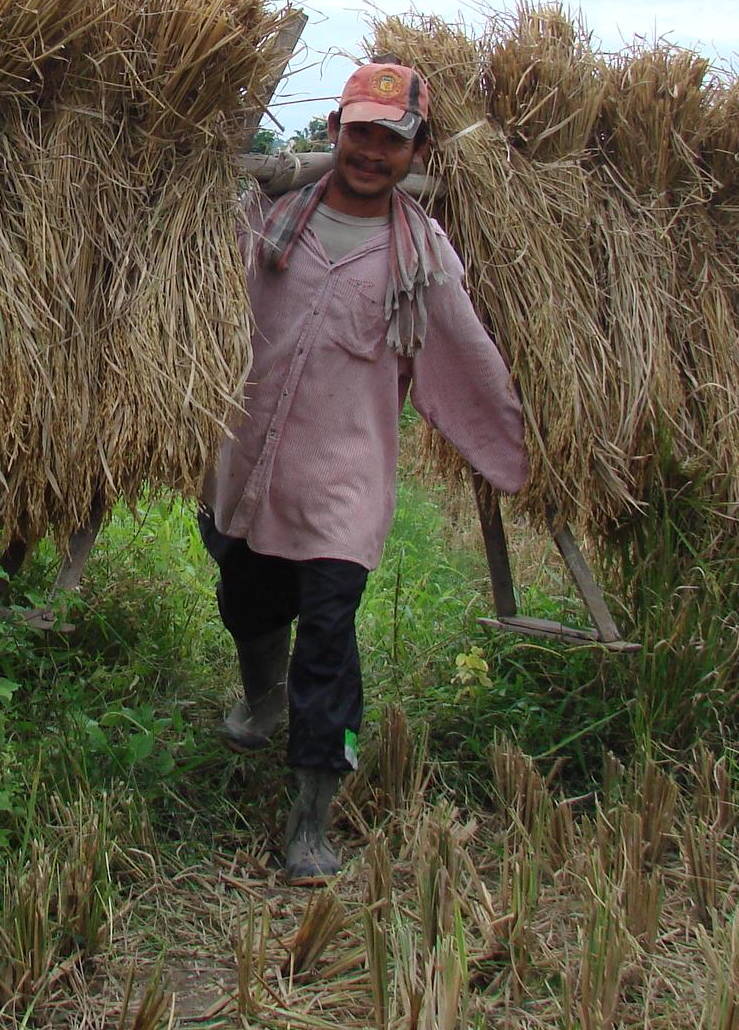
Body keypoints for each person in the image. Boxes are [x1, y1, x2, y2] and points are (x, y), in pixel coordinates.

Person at [202, 59, 528, 884]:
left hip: (342, 486)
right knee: (246, 601)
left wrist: (521, 454)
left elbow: (466, 363)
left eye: (392, 139)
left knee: (328, 644)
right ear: (334, 133)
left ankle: (311, 816)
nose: (373, 152)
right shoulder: (263, 220)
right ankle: (262, 697)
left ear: (417, 149)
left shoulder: (422, 258)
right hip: (245, 466)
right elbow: (191, 309)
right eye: (361, 133)